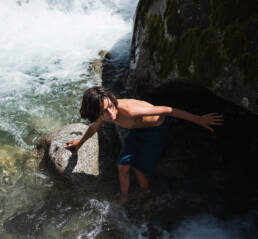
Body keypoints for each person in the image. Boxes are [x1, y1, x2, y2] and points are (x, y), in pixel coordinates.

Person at [65, 86, 223, 206]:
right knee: (122, 166)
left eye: (110, 107)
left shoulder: (130, 111)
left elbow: (168, 110)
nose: (110, 114)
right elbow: (94, 128)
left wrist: (199, 119)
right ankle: (124, 197)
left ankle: (145, 192)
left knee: (139, 169)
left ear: (112, 101)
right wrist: (80, 143)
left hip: (155, 130)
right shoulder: (102, 113)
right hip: (136, 131)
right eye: (103, 112)